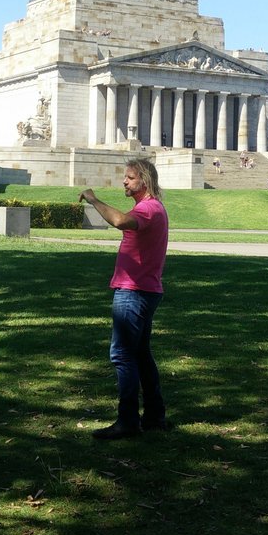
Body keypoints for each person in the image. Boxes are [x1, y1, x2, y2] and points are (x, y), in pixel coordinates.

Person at [79, 158, 169, 440]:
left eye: (129, 177)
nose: (125, 181)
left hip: (134, 291)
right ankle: (154, 417)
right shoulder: (151, 208)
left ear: (143, 180)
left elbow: (119, 221)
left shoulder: (149, 209)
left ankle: (128, 420)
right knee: (140, 355)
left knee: (122, 355)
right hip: (144, 289)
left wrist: (94, 199)